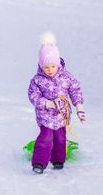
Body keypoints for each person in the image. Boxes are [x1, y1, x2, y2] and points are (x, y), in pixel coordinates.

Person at [28, 32, 86, 174]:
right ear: (41, 66)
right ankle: (39, 163)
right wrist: (46, 103)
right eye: (46, 67)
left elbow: (75, 90)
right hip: (45, 116)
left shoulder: (67, 77)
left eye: (52, 66)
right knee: (45, 138)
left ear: (58, 63)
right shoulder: (37, 80)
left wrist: (79, 107)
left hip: (61, 116)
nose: (50, 70)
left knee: (60, 138)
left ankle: (58, 159)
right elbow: (33, 95)